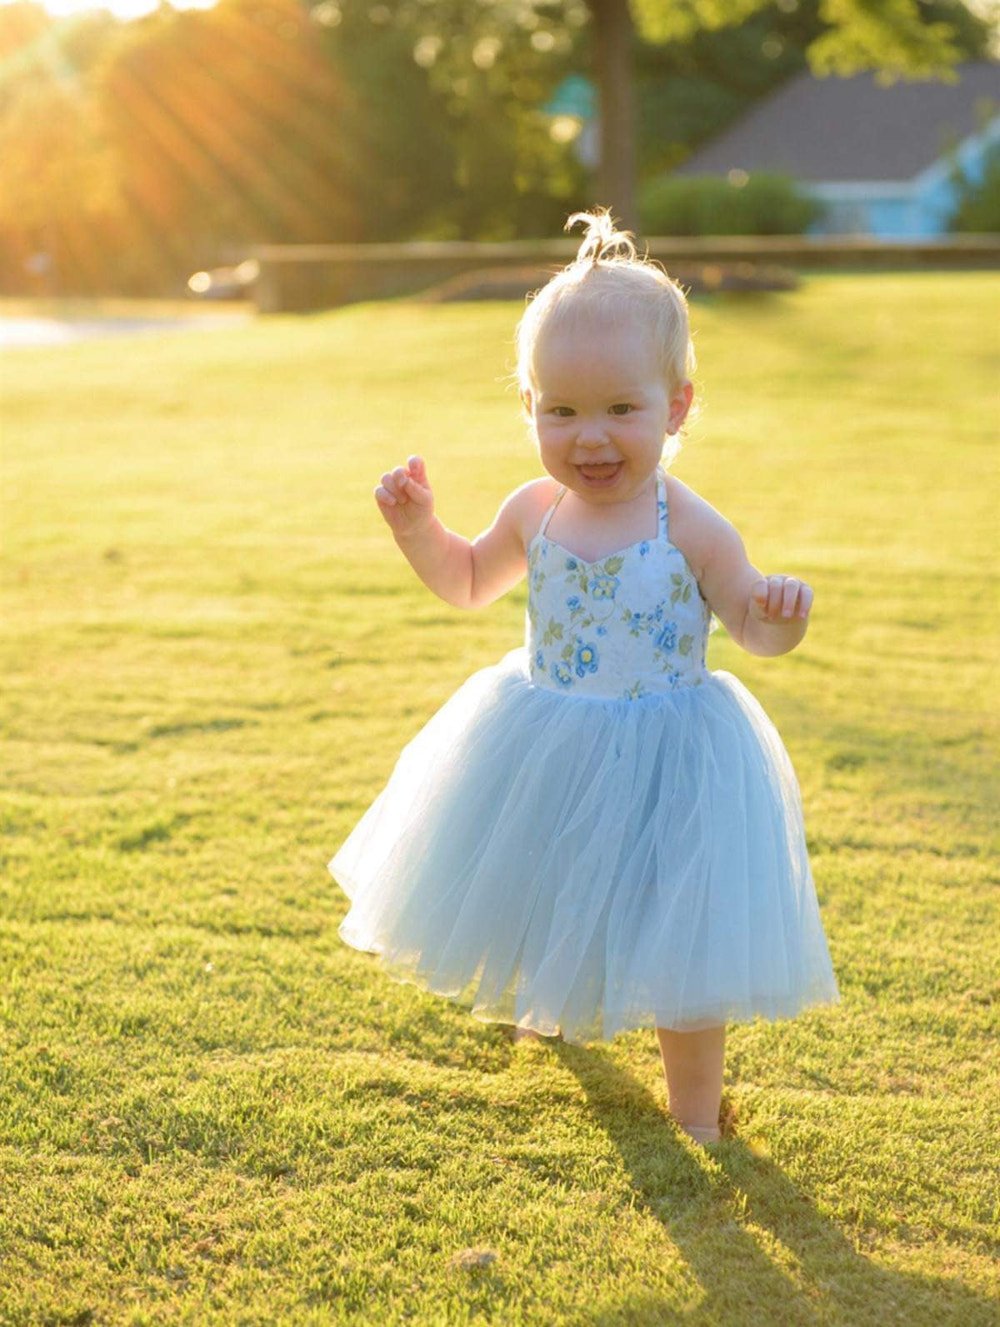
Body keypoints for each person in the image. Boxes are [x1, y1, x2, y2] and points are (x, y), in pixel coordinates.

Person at [328, 208, 840, 1148]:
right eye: (560, 410)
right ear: (528, 408)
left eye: (620, 409)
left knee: (683, 933)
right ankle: (549, 1004)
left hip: (670, 754)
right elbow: (470, 580)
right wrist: (418, 532)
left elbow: (743, 624)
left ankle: (695, 1112)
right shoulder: (536, 509)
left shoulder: (689, 524)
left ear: (676, 407)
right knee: (547, 878)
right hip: (551, 738)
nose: (589, 436)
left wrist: (778, 621)